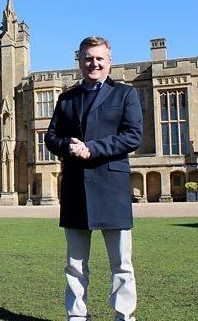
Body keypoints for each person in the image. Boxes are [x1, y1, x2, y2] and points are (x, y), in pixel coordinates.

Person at [45, 36, 143, 321]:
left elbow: (133, 136)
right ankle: (77, 317)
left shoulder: (125, 94)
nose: (94, 63)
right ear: (79, 61)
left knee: (122, 264)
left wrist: (92, 149)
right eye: (88, 58)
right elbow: (51, 137)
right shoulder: (66, 98)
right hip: (76, 188)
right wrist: (68, 147)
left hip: (112, 189)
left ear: (109, 61)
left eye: (99, 58)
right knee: (75, 265)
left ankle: (124, 316)